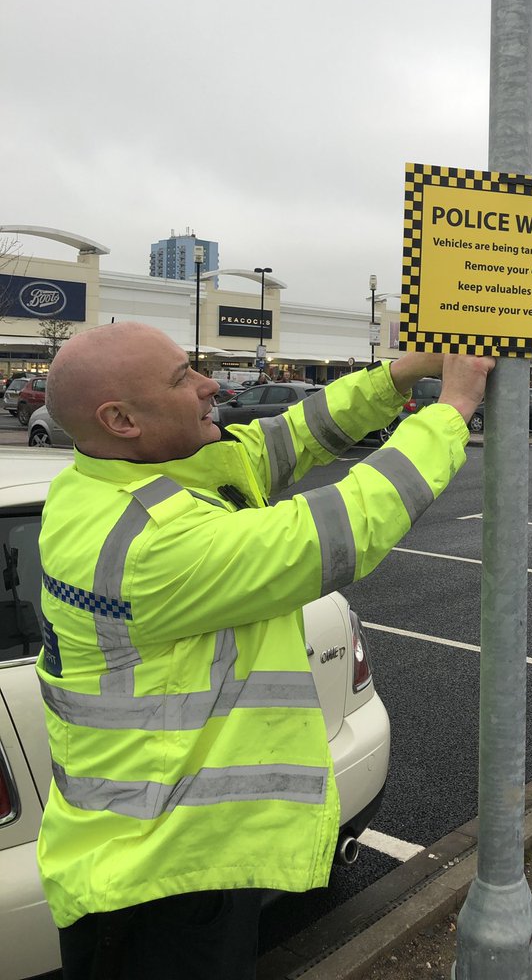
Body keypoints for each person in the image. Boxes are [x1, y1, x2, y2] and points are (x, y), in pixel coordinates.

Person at [35, 321, 492, 980]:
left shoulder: (137, 477)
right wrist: (451, 411)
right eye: (181, 378)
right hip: (152, 883)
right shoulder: (144, 545)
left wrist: (402, 373)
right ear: (122, 419)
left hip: (174, 861)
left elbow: (295, 434)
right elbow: (342, 527)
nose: (208, 384)